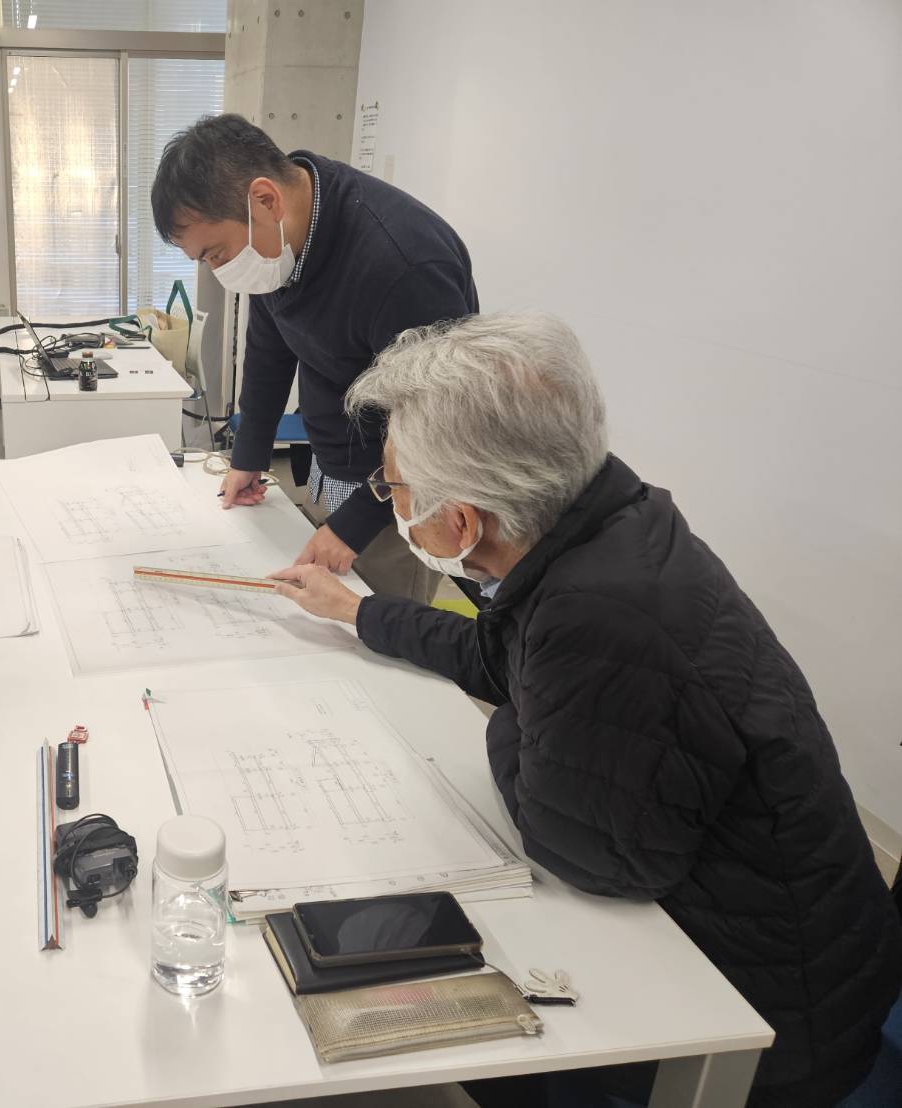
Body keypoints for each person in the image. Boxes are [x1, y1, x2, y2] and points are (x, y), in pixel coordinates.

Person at [272, 312, 902, 1106]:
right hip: (792, 941)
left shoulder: (596, 613)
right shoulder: (602, 523)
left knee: (448, 1024)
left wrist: (513, 720)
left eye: (391, 487)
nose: (388, 500)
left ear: (461, 520)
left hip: (770, 1017)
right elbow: (501, 658)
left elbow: (590, 858)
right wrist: (357, 612)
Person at [151, 114, 477, 604]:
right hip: (333, 466)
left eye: (216, 254)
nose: (218, 270)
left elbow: (443, 429)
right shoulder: (277, 243)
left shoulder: (403, 265)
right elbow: (269, 347)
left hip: (402, 499)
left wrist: (354, 524)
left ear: (265, 200)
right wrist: (250, 453)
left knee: (373, 630)